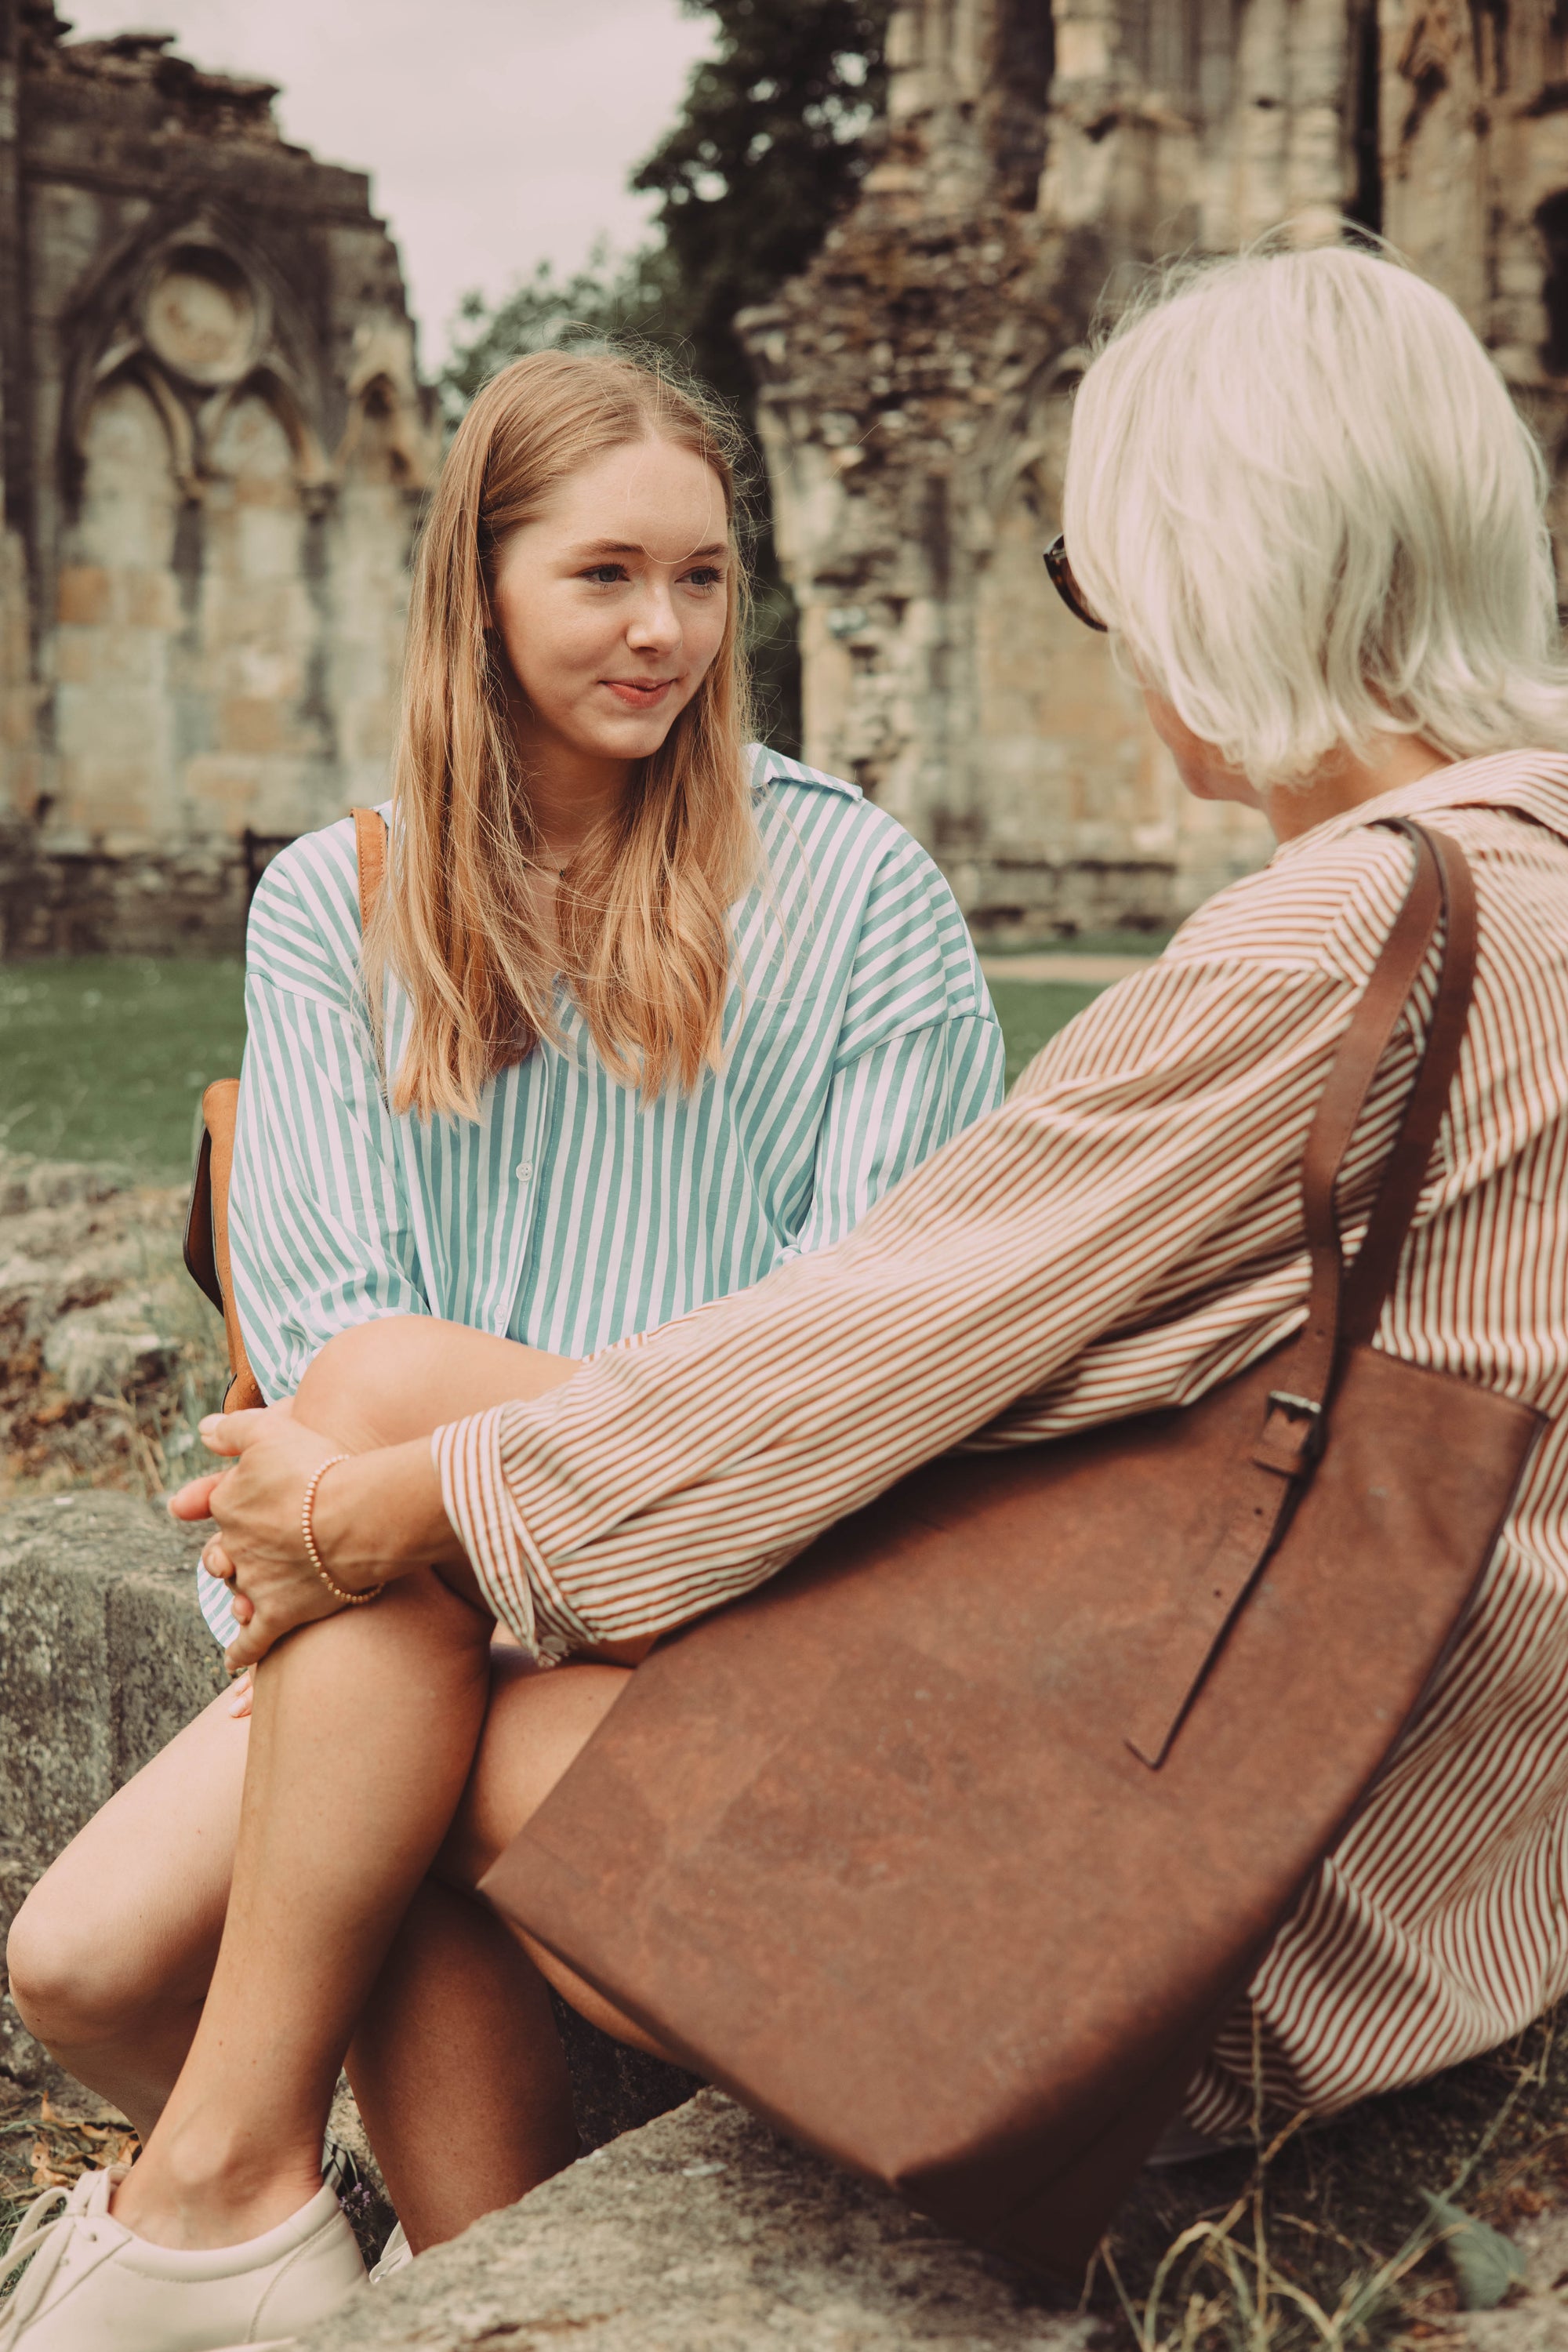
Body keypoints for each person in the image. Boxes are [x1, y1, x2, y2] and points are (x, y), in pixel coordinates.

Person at [12, 234, 1568, 2347]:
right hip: (1406, 1847)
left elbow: (873, 1354)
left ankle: (253, 2222)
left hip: (1225, 1920)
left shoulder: (1343, 942)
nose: (1117, 648)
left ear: (1233, 577)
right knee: (377, 1463)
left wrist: (408, 1512)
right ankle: (346, 2244)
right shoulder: (1522, 888)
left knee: (394, 1570)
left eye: (1103, 580)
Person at [0, 347, 1004, 2342]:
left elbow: (867, 1346)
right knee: (81, 1966)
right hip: (422, 1585)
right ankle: (396, 2257)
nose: (664, 632)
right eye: (607, 574)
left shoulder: (854, 890)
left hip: (726, 1558)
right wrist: (446, 1503)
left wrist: (490, 1485)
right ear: (483, 582)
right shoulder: (336, 904)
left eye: (705, 580)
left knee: (380, 1434)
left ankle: (207, 2208)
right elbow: (305, 1315)